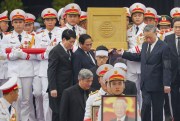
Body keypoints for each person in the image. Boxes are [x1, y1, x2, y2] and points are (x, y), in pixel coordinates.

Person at [119, 24, 171, 121]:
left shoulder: (164, 47)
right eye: (146, 37)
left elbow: (166, 66)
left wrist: (167, 84)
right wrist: (124, 54)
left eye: (150, 37)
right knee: (146, 105)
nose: (148, 40)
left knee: (157, 109)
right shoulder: (145, 44)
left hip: (158, 84)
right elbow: (140, 57)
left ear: (156, 34)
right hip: (145, 83)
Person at [0, 9, 36, 121]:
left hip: (27, 71)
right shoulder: (6, 37)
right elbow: (2, 54)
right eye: (16, 22)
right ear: (12, 23)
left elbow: (36, 54)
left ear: (24, 22)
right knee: (16, 98)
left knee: (26, 99)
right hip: (13, 71)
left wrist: (25, 55)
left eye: (20, 22)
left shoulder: (31, 37)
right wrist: (14, 55)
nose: (18, 24)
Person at [35, 8, 62, 121]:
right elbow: (37, 55)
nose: (50, 22)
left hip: (59, 68)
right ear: (44, 21)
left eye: (52, 19)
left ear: (55, 20)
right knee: (46, 96)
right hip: (44, 69)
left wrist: (51, 52)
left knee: (58, 95)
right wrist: (48, 53)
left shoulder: (61, 32)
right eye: (47, 20)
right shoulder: (38, 35)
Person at [48, 29, 76, 121]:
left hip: (67, 86)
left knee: (65, 112)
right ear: (64, 39)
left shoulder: (69, 51)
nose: (72, 44)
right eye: (70, 42)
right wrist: (53, 88)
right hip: (58, 88)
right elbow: (51, 70)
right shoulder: (55, 51)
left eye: (73, 42)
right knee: (57, 112)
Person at [127, 2, 146, 109]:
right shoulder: (127, 31)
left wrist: (129, 51)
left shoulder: (149, 29)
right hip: (131, 65)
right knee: (132, 91)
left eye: (139, 15)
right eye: (135, 15)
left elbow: (145, 47)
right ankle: (134, 114)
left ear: (143, 16)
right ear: (132, 17)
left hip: (144, 64)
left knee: (144, 92)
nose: (137, 17)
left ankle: (144, 114)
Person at [164, 17, 180, 121]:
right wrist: (167, 75)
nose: (178, 29)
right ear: (172, 28)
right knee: (174, 99)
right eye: (176, 27)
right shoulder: (168, 39)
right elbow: (165, 58)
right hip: (173, 74)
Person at [0, 10, 9, 97]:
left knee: (5, 96)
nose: (7, 25)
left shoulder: (7, 36)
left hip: (5, 69)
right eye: (5, 23)